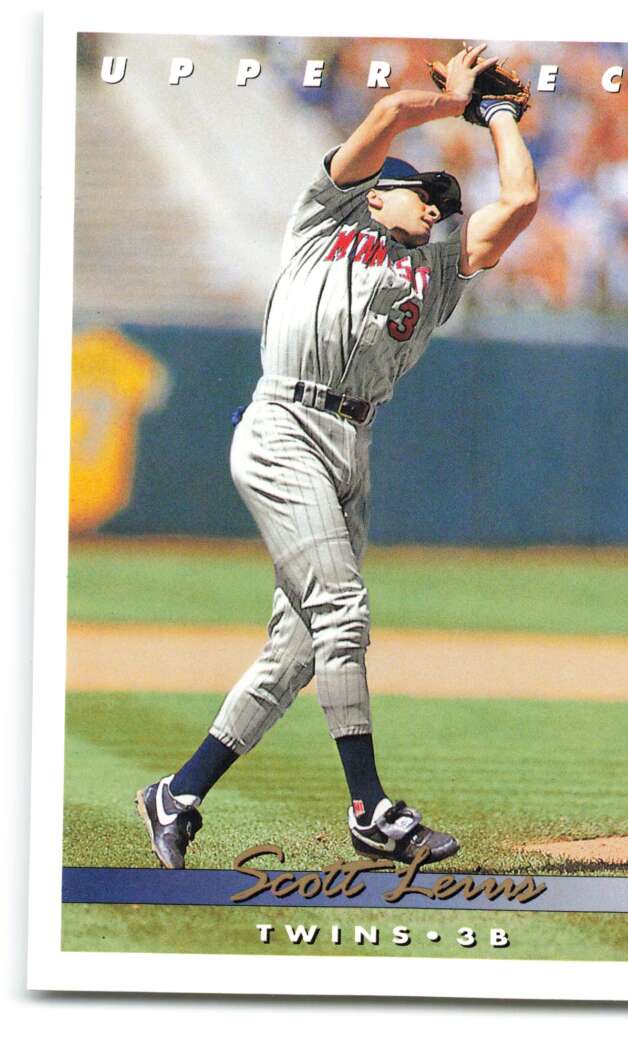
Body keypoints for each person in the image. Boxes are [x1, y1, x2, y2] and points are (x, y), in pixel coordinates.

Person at [136, 43, 539, 870]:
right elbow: (390, 115)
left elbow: (523, 198)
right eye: (418, 190)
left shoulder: (440, 267)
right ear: (375, 195)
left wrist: (497, 117)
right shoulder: (323, 219)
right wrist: (452, 99)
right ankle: (369, 807)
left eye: (441, 197)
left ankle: (176, 794)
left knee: (295, 651)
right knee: (344, 612)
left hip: (351, 444)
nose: (433, 202)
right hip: (284, 422)